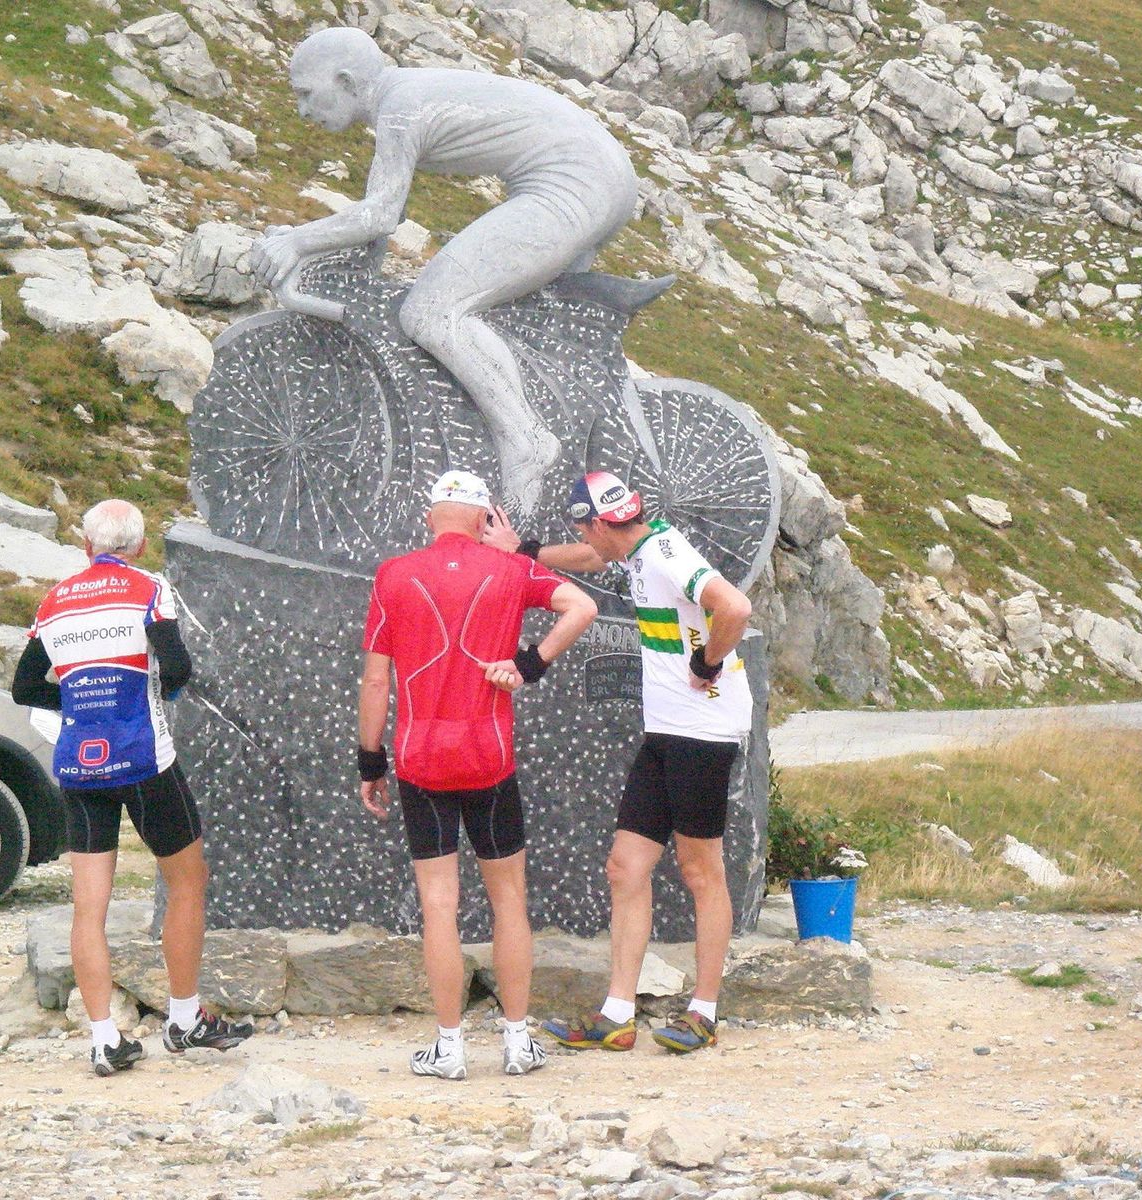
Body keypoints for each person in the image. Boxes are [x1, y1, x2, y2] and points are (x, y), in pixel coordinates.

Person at [250, 27, 640, 515]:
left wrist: (294, 241)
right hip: (608, 178)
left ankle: (527, 440)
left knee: (430, 313)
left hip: (575, 181)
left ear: (346, 81)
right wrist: (310, 239)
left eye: (307, 93)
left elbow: (380, 215)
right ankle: (546, 442)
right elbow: (383, 219)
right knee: (500, 314)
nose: (302, 111)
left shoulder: (400, 108)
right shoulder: (408, 91)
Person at [483, 472, 752, 1054]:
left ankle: (703, 1012)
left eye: (584, 528)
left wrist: (707, 663)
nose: (584, 538)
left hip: (703, 729)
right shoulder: (635, 544)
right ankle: (617, 1014)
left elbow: (735, 606)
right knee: (625, 867)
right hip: (666, 730)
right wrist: (525, 551)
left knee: (700, 869)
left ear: (600, 523)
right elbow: (590, 556)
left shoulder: (664, 552)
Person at [358, 469, 597, 1079]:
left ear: (430, 516)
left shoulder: (393, 575)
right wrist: (528, 664)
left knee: (439, 905)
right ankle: (517, 1042)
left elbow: (377, 680)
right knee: (508, 899)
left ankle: (449, 1047)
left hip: (419, 757)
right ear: (483, 518)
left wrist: (370, 760)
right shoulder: (513, 569)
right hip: (489, 754)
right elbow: (583, 606)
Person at [12, 499, 253, 1077]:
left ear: (86, 545)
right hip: (145, 759)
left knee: (88, 905)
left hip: (79, 762)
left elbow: (24, 686)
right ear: (139, 546)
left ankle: (104, 1040)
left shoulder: (54, 601)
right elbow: (177, 667)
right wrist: (153, 696)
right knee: (187, 881)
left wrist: (77, 703)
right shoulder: (149, 588)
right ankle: (184, 1017)